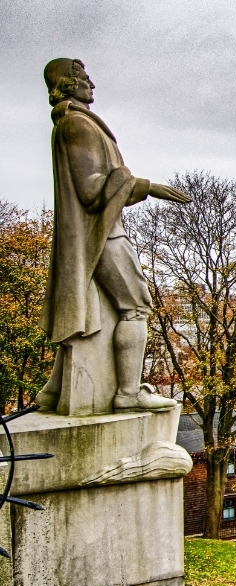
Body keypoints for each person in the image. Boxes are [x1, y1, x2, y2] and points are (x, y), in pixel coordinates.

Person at [35, 58, 190, 412]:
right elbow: (92, 191)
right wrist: (146, 186)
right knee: (136, 307)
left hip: (93, 235)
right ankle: (127, 393)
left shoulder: (72, 124)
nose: (92, 84)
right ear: (68, 83)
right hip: (102, 235)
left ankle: (53, 391)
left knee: (87, 313)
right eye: (85, 78)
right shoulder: (78, 125)